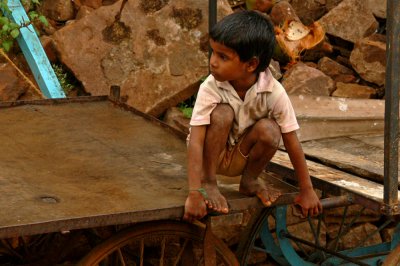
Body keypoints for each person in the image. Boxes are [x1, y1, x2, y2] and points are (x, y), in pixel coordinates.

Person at [183, 10, 322, 223]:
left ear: (251, 65)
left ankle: (249, 180)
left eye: (223, 56)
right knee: (222, 113)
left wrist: (307, 189)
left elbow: (292, 140)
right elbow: (196, 140)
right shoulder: (211, 86)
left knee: (270, 129)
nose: (213, 62)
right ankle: (209, 182)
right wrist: (195, 192)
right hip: (209, 157)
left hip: (241, 155)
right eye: (213, 52)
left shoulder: (274, 91)